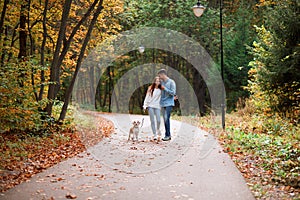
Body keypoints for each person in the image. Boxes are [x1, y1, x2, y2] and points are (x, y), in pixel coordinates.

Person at [157, 69, 176, 141]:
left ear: (163, 74)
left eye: (160, 76)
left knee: (166, 118)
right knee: (165, 119)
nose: (159, 77)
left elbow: (173, 93)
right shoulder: (161, 82)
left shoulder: (171, 82)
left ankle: (167, 135)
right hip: (162, 103)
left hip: (169, 103)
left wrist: (165, 88)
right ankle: (168, 135)